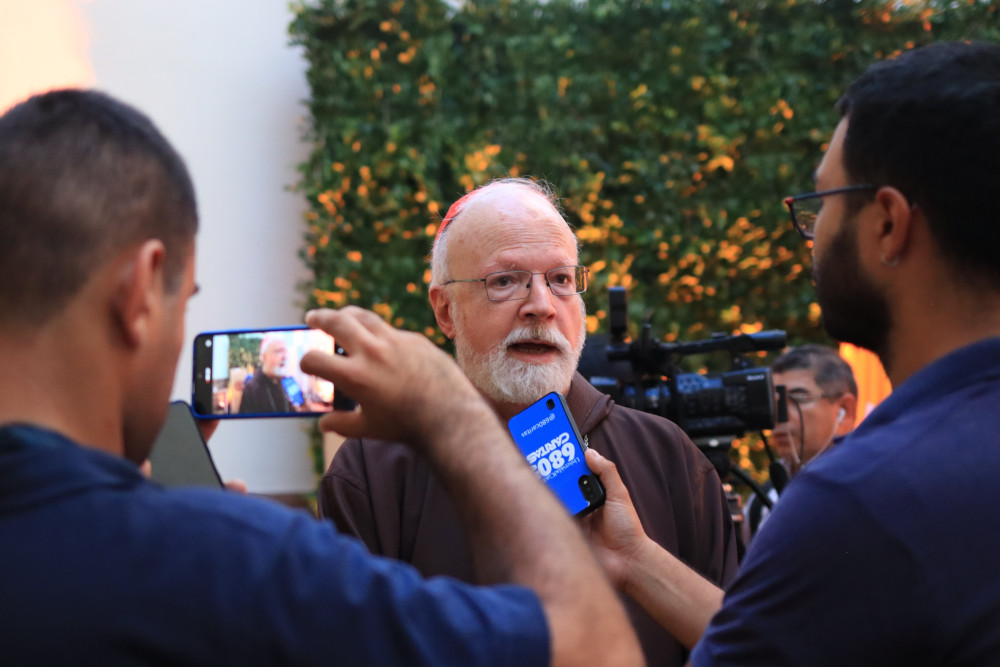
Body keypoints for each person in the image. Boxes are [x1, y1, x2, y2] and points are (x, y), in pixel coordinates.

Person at [0, 89, 644, 666]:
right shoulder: (229, 560)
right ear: (141, 292)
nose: (539, 303)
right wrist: (456, 420)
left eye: (561, 280)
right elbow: (594, 649)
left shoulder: (202, 553)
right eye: (185, 299)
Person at [583, 41, 1000, 665]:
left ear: (888, 224)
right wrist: (633, 556)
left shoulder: (863, 502)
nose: (810, 238)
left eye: (822, 204)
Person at [319, 177, 739, 666]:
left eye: (560, 279)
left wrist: (637, 562)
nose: (542, 305)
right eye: (505, 281)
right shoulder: (374, 469)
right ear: (445, 310)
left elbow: (747, 647)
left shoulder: (667, 455)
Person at [742, 344, 857, 544]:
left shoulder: (868, 489)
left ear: (844, 412)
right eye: (772, 402)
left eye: (797, 399)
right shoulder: (760, 502)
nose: (778, 415)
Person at [239, 334, 293, 414]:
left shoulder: (289, 382)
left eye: (285, 351)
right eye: (278, 351)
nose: (284, 356)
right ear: (264, 357)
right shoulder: (251, 389)